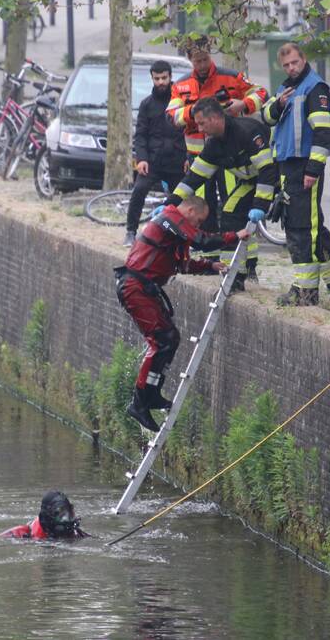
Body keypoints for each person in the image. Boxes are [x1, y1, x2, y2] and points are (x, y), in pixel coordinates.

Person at [114, 196, 251, 432]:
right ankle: (139, 403)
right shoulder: (170, 218)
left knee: (170, 340)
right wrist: (233, 236)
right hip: (135, 287)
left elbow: (181, 265)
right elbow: (201, 241)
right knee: (161, 341)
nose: (197, 226)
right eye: (197, 220)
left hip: (143, 288)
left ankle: (152, 394)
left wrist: (209, 266)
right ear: (189, 210)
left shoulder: (174, 232)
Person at [166, 37, 267, 267]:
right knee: (201, 207)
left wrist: (243, 105)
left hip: (229, 155)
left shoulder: (229, 77)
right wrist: (196, 112)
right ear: (190, 60)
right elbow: (171, 116)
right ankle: (207, 256)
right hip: (198, 155)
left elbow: (261, 93)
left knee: (232, 206)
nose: (202, 64)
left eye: (205, 59)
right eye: (197, 61)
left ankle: (247, 262)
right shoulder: (181, 85)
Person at [167, 98, 277, 291]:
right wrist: (171, 203)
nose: (199, 130)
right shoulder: (214, 145)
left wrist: (260, 205)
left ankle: (242, 273)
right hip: (251, 181)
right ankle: (235, 276)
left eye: (202, 123)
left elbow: (268, 170)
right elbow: (194, 177)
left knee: (298, 227)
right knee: (229, 213)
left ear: (216, 118)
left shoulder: (247, 132)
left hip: (276, 177)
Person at [261, 42, 330, 306]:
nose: (291, 68)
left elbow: (323, 132)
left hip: (304, 166)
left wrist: (313, 170)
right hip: (287, 166)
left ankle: (307, 292)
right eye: (286, 65)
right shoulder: (285, 88)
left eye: (294, 62)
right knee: (298, 225)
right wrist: (278, 105)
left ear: (304, 59)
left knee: (305, 228)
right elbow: (267, 117)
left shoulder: (315, 88)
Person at [125, 61, 188, 247]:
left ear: (170, 77)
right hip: (152, 161)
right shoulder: (146, 104)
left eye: (164, 78)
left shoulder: (181, 101)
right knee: (138, 191)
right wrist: (141, 159)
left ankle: (182, 234)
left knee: (183, 199)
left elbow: (190, 131)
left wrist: (188, 158)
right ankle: (130, 231)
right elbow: (140, 135)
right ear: (152, 78)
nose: (160, 82)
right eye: (157, 78)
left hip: (177, 160)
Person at [1, 491, 89, 539]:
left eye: (68, 513)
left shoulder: (74, 531)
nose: (66, 519)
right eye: (60, 515)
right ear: (48, 516)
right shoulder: (22, 533)